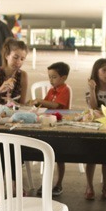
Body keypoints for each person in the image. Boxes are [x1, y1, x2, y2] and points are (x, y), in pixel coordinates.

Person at [31, 61, 71, 197]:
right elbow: (45, 105)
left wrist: (40, 100)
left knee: (60, 157)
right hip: (48, 125)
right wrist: (36, 104)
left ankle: (59, 184)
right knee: (47, 155)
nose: (51, 80)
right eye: (50, 77)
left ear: (63, 78)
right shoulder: (51, 90)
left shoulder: (65, 90)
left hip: (59, 127)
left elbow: (55, 105)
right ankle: (46, 182)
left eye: (54, 77)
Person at [85, 58, 106, 200]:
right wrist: (92, 89)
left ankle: (105, 186)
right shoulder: (91, 89)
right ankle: (89, 186)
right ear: (96, 72)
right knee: (91, 158)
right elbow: (93, 107)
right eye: (104, 70)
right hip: (94, 127)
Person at [0, 38, 29, 104]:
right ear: (6, 55)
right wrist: (0, 90)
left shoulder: (23, 75)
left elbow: (22, 103)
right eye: (15, 57)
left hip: (15, 110)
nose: (18, 62)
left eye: (22, 59)